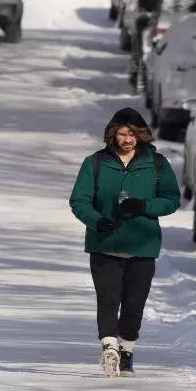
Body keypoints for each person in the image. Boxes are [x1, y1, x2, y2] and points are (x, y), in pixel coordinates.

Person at [68, 107, 180, 377]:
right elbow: (79, 200)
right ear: (112, 134)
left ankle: (127, 349)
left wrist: (145, 205)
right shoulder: (95, 163)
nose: (127, 139)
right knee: (108, 299)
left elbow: (172, 199)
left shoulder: (157, 164)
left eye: (132, 134)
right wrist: (98, 221)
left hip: (143, 247)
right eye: (122, 133)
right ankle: (109, 348)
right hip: (104, 244)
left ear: (141, 135)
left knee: (134, 304)